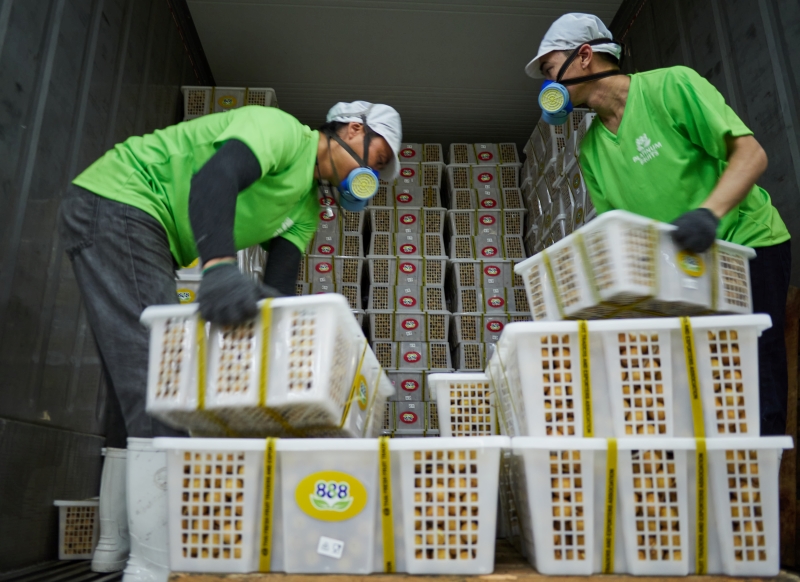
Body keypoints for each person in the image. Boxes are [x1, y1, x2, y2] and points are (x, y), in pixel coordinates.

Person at [58, 100, 401, 579]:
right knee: (160, 389)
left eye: (379, 173)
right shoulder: (282, 132)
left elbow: (279, 291)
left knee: (134, 389)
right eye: (377, 160)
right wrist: (219, 269)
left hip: (139, 225)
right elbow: (213, 178)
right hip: (123, 199)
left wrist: (281, 378)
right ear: (353, 129)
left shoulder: (306, 208)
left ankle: (114, 549)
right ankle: (153, 568)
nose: (372, 174)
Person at [526, 13, 791, 436]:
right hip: (689, 270)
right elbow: (623, 233)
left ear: (584, 56)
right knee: (707, 393)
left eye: (549, 69)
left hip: (745, 245)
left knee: (757, 376)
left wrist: (708, 214)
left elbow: (751, 154)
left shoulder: (670, 86)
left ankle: (763, 472)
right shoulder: (591, 151)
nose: (546, 85)